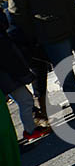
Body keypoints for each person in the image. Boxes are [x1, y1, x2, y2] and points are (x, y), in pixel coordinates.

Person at [0, 8, 51, 142]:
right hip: (7, 72)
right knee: (26, 100)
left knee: (24, 100)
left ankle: (30, 129)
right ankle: (29, 131)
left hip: (7, 71)